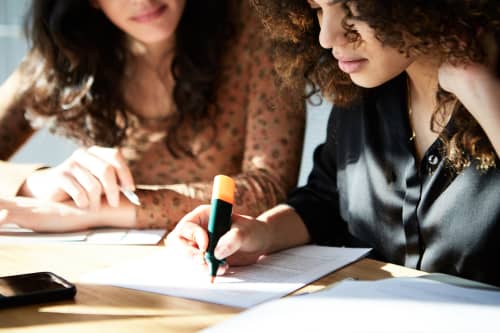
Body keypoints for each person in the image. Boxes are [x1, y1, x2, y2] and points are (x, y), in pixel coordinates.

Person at [166, 0, 500, 286]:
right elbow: (325, 201)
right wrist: (261, 233)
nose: (327, 37)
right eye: (317, 9)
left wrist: (482, 93)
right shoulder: (363, 92)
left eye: (352, 8)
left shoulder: (487, 88)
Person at [0, 0, 305, 232]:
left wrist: (100, 210)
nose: (143, 0)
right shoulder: (67, 51)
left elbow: (269, 187)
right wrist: (37, 183)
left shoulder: (259, 27)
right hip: (112, 263)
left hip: (223, 261)